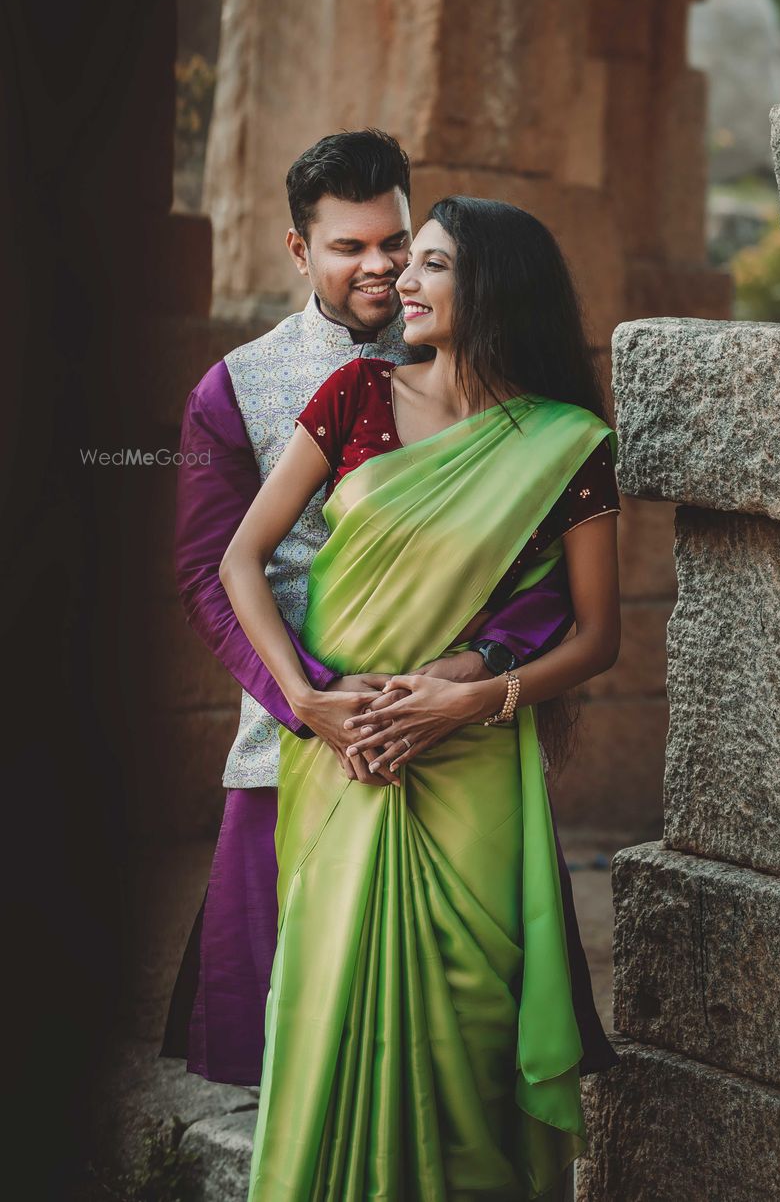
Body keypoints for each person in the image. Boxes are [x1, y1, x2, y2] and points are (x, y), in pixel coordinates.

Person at [159, 132, 617, 1089]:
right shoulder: (238, 388)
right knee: (288, 1041)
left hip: (453, 723)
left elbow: (541, 582)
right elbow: (213, 570)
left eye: (397, 243)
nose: (383, 267)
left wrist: (477, 669)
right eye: (349, 247)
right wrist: (311, 700)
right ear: (300, 252)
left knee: (472, 1034)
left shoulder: (493, 382)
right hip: (304, 719)